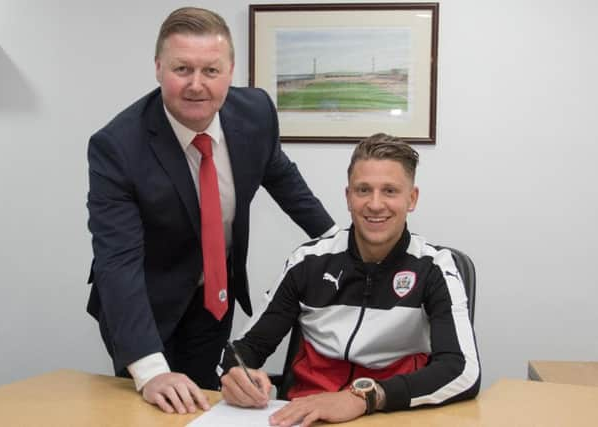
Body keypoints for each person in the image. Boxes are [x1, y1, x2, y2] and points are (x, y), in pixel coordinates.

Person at [86, 7, 337, 415]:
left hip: (214, 296)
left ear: (231, 70)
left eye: (211, 70)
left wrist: (343, 246)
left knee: (207, 405)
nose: (196, 85)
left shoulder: (255, 114)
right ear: (157, 68)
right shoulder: (118, 148)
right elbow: (117, 263)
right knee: (157, 406)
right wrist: (151, 371)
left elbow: (286, 183)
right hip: (144, 301)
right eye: (182, 68)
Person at [219, 133, 481, 426]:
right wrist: (235, 374)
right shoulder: (308, 262)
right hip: (306, 415)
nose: (375, 204)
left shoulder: (436, 268)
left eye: (390, 191)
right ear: (348, 197)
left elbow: (462, 370)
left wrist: (364, 398)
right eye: (363, 190)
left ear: (412, 198)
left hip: (391, 415)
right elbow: (245, 348)